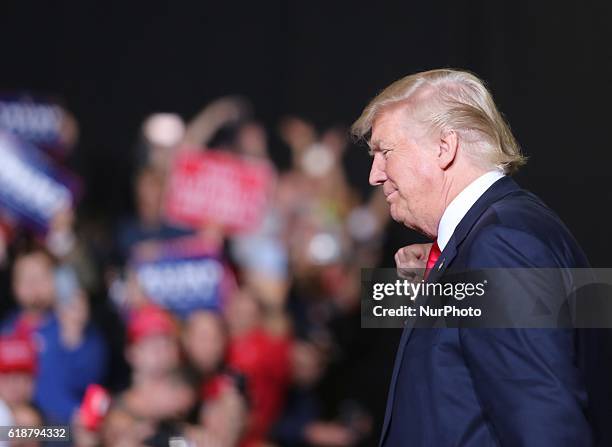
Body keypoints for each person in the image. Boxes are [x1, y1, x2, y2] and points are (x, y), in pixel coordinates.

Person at [351, 69, 597, 446]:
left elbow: (545, 423)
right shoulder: (501, 231)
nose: (374, 175)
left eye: (384, 151)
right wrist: (428, 289)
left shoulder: (503, 242)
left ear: (444, 147)